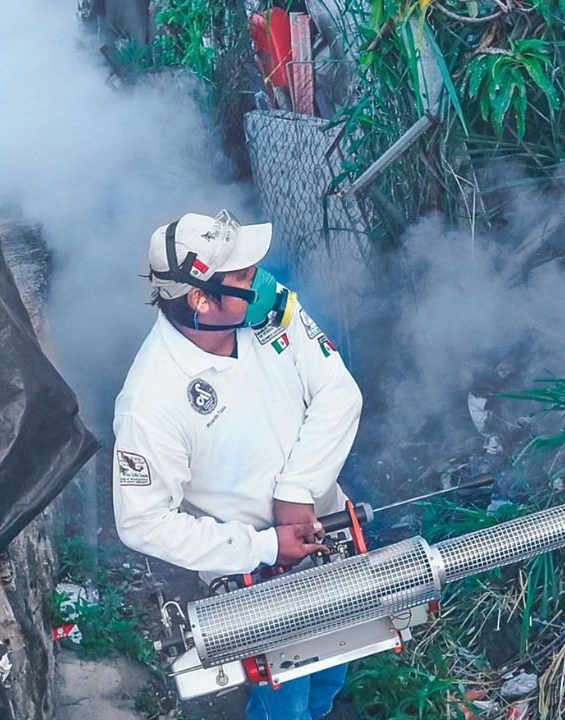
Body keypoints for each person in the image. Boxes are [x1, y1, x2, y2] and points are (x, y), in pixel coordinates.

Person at [112, 210, 362, 720]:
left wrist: (298, 490)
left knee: (334, 673)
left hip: (326, 532)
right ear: (201, 299)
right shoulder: (151, 402)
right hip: (259, 575)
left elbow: (339, 393)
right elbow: (142, 521)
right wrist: (265, 544)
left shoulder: (275, 315)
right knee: (284, 700)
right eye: (245, 277)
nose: (265, 283)